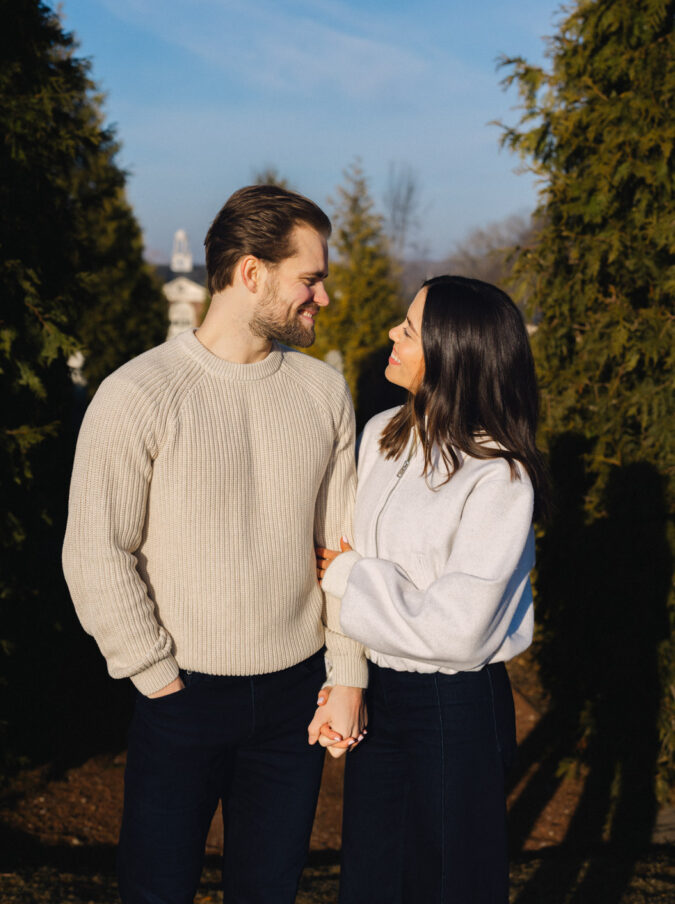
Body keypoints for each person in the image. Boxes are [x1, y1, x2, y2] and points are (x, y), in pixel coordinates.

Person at [63, 185, 367, 904]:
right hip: (181, 695)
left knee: (269, 890)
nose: (323, 296)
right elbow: (97, 551)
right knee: (156, 891)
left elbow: (346, 548)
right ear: (251, 273)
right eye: (311, 277)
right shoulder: (138, 392)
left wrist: (347, 674)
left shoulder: (324, 392)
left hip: (297, 695)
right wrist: (156, 676)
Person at [316, 275, 550, 904]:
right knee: (370, 878)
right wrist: (347, 679)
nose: (392, 333)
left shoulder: (500, 476)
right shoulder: (380, 432)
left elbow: (457, 630)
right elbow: (358, 551)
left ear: (454, 352)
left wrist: (348, 576)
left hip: (457, 708)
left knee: (451, 885)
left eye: (411, 329)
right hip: (382, 694)